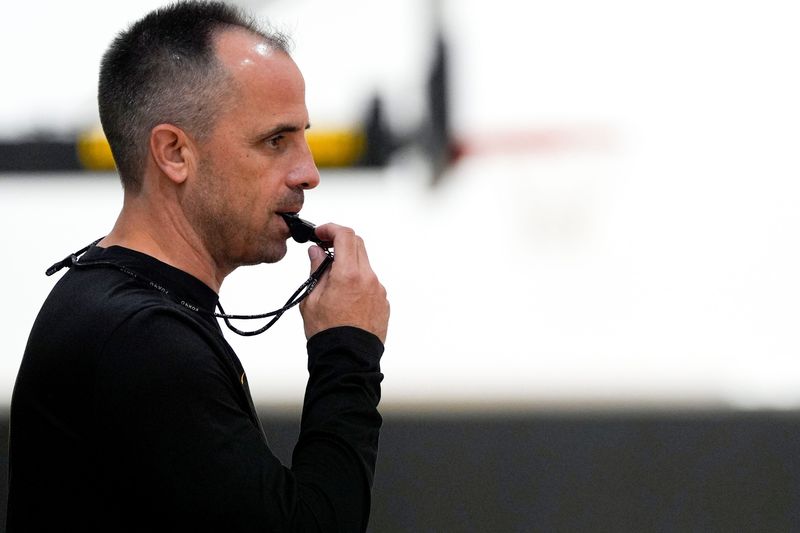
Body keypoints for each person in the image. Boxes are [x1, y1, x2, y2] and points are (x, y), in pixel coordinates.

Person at [6, 1, 389, 531]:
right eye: (276, 141)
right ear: (175, 153)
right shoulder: (142, 341)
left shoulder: (119, 304)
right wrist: (347, 351)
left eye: (303, 136)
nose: (308, 172)